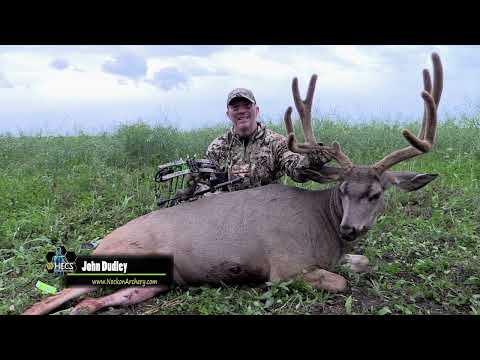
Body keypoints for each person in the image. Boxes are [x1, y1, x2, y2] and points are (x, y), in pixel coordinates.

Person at [203, 87, 332, 192]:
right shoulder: (217, 147)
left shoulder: (276, 142)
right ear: (228, 114)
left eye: (247, 106)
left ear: (257, 110)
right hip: (228, 214)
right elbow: (205, 184)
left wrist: (311, 161)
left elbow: (297, 172)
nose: (241, 111)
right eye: (235, 108)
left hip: (268, 212)